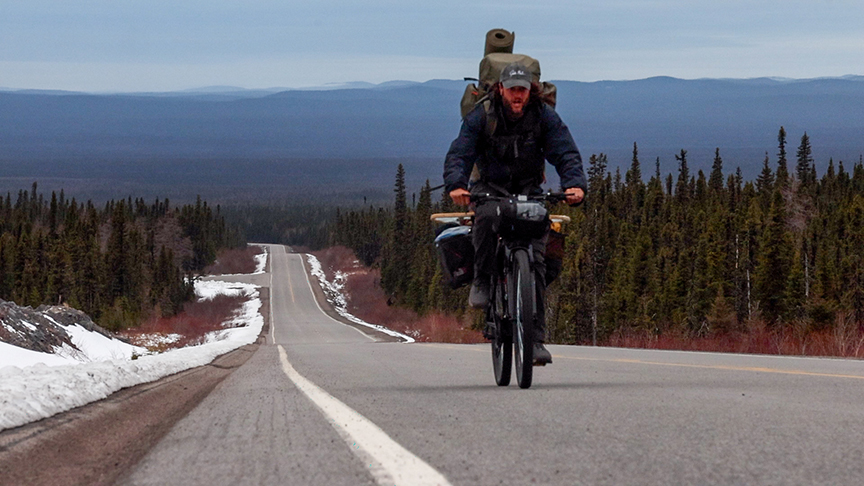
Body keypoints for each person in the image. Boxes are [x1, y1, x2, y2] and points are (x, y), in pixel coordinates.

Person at [443, 62, 586, 365]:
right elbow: (461, 151)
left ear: (530, 90)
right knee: (486, 219)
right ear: (501, 89)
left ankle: (534, 342)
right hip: (489, 188)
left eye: (522, 89)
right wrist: (456, 184)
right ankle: (482, 280)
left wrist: (574, 185)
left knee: (535, 261)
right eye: (512, 89)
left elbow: (565, 151)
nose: (517, 95)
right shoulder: (482, 115)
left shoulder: (544, 116)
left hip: (530, 190)